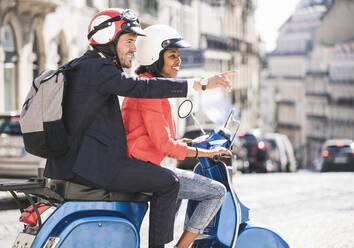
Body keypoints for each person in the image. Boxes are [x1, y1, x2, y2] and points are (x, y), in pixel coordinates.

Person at [44, 8, 234, 248]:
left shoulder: (83, 66)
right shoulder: (98, 70)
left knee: (166, 180)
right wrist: (200, 84)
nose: (134, 48)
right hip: (97, 167)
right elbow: (140, 87)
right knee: (170, 182)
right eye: (130, 41)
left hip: (82, 163)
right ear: (108, 38)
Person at [122, 24, 232, 248]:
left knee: (181, 189)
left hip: (141, 167)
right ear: (155, 56)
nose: (178, 61)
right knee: (216, 192)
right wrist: (207, 152)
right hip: (142, 171)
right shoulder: (150, 91)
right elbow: (165, 146)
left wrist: (188, 144)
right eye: (172, 56)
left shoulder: (149, 86)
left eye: (179, 56)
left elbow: (155, 139)